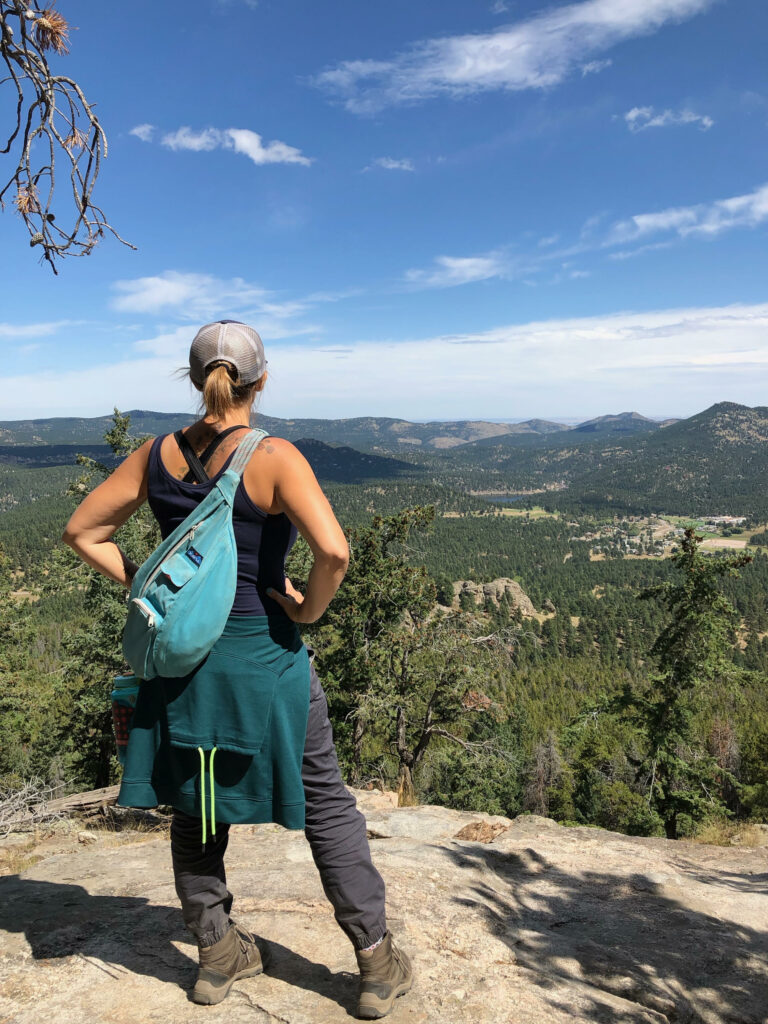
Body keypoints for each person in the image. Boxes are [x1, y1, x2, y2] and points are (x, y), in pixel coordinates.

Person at [62, 320, 413, 1019]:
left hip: (184, 662)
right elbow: (335, 553)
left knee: (197, 803)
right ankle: (376, 965)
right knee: (325, 802)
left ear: (196, 382)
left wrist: (150, 589)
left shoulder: (156, 453)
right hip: (264, 655)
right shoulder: (274, 456)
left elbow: (81, 532)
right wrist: (307, 611)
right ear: (260, 380)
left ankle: (217, 954)